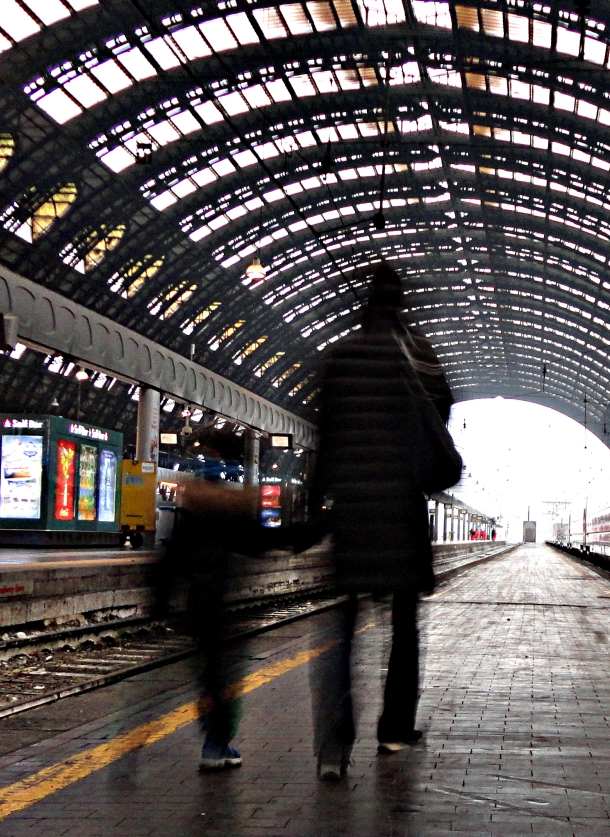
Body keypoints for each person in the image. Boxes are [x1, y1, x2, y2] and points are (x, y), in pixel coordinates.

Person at [308, 264, 454, 782]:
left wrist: (312, 507)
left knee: (340, 630)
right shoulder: (419, 357)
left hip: (352, 511)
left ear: (361, 305)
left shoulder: (341, 356)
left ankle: (333, 745)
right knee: (404, 627)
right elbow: (441, 427)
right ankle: (394, 729)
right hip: (401, 511)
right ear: (403, 304)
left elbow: (323, 439)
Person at [150, 429, 317, 769]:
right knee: (224, 678)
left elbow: (169, 562)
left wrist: (160, 604)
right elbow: (262, 542)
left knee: (209, 678)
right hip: (220, 609)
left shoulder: (193, 510)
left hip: (195, 607)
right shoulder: (233, 511)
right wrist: (312, 532)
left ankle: (214, 743)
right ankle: (217, 744)